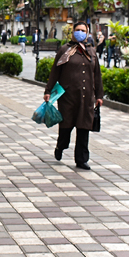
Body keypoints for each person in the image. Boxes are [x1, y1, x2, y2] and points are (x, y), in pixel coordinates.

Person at [44, 21, 103, 171]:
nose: (80, 33)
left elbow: (97, 75)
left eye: (83, 30)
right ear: (73, 32)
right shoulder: (65, 50)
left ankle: (81, 159)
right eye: (78, 30)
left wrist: (99, 95)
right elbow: (55, 72)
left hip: (87, 97)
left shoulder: (91, 51)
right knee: (66, 126)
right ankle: (61, 146)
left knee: (84, 128)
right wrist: (48, 91)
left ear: (88, 33)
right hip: (68, 97)